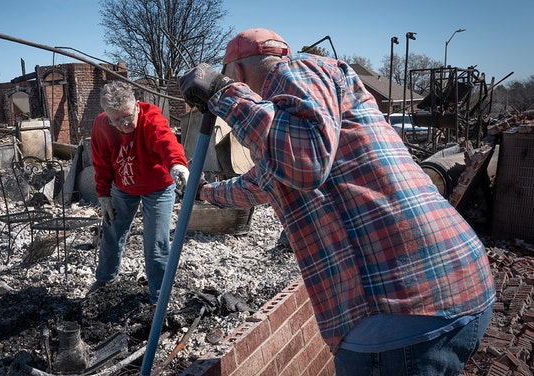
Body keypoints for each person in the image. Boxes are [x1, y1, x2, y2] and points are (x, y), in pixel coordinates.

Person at [179, 28, 495, 375]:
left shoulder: (295, 70)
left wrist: (224, 93)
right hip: (459, 288)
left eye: (231, 78)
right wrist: (206, 192)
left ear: (237, 72)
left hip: (399, 316)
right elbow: (262, 182)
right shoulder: (301, 119)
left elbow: (307, 160)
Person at [89, 80, 189, 304]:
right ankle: (105, 279)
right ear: (107, 115)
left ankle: (159, 296)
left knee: (156, 241)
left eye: (127, 117)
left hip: (158, 187)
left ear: (136, 105)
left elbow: (167, 142)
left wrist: (177, 165)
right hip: (123, 188)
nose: (124, 125)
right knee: (112, 230)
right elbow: (101, 162)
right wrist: (103, 195)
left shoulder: (151, 117)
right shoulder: (102, 125)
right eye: (117, 120)